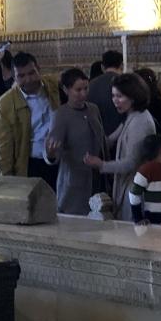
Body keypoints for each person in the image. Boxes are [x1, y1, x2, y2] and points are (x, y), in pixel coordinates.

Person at [83, 71, 155, 220]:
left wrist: (101, 165)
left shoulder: (140, 121)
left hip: (135, 189)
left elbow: (131, 163)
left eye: (120, 96)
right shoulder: (132, 116)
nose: (115, 101)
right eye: (113, 96)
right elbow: (112, 139)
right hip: (129, 185)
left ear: (133, 97)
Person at [44, 67, 105, 215]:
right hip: (73, 184)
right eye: (78, 90)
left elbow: (101, 139)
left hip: (97, 178)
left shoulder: (93, 109)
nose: (83, 93)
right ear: (66, 90)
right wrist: (51, 154)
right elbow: (53, 151)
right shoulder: (60, 115)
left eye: (86, 88)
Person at [0, 52, 60, 184]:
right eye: (21, 76)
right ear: (14, 77)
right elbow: (3, 148)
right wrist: (5, 182)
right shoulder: (5, 104)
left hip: (60, 162)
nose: (28, 79)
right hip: (30, 166)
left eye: (32, 73)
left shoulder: (52, 86)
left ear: (38, 69)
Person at [87, 48, 124, 136]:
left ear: (102, 67)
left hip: (97, 135)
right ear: (122, 65)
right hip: (122, 134)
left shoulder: (91, 85)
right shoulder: (127, 83)